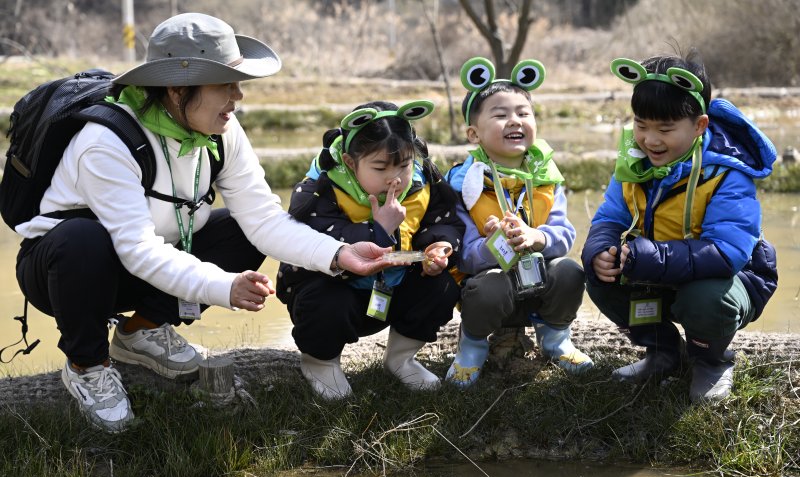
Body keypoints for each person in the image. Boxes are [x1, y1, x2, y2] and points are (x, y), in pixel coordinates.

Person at [13, 13, 396, 432]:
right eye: (224, 84)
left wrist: (338, 254)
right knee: (81, 239)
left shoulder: (221, 132)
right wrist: (223, 287)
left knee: (238, 230)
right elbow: (137, 249)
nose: (238, 96)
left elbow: (264, 219)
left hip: (151, 259)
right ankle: (87, 365)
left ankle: (141, 332)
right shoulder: (105, 143)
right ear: (178, 88)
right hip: (68, 270)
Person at [581, 53, 778, 403]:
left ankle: (710, 360)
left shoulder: (726, 174)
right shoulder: (633, 165)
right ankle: (664, 352)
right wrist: (599, 249)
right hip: (656, 269)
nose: (650, 140)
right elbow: (610, 217)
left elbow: (727, 252)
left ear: (699, 125)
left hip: (729, 280)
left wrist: (653, 256)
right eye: (641, 125)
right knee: (602, 277)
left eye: (665, 129)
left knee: (705, 298)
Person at [276, 100, 464, 400]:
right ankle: (320, 362)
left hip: (395, 289)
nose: (395, 179)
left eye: (403, 165)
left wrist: (439, 246)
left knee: (442, 285)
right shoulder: (322, 188)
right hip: (340, 289)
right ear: (351, 162)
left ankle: (400, 358)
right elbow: (313, 237)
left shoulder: (423, 180)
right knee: (324, 300)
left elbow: (445, 219)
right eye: (380, 168)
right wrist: (379, 228)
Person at [444, 57, 593, 388]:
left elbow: (564, 233)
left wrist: (536, 237)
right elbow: (464, 257)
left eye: (524, 114)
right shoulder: (462, 184)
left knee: (569, 271)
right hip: (491, 284)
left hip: (538, 277)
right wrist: (494, 243)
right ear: (473, 133)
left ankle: (555, 339)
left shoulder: (546, 177)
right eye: (500, 115)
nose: (515, 121)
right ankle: (472, 347)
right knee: (490, 285)